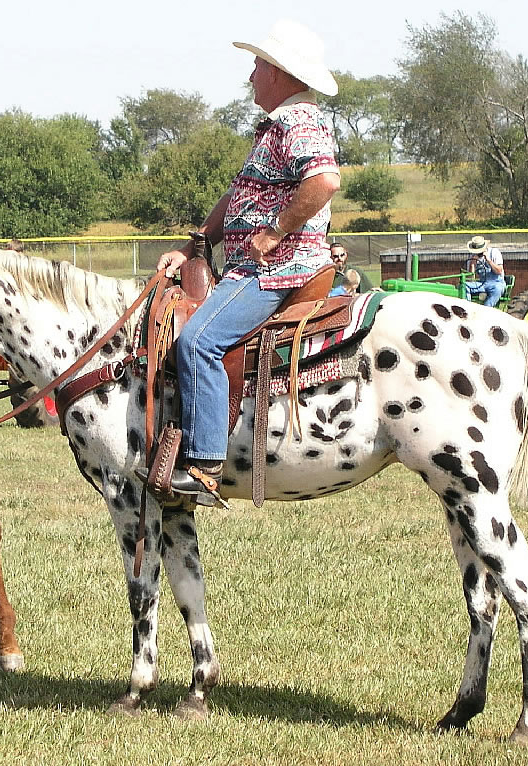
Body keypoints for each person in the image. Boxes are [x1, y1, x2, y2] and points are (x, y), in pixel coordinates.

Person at [153, 19, 340, 503]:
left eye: (258, 65)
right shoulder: (276, 128)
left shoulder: (298, 124)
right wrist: (196, 240)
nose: (252, 75)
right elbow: (238, 196)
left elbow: (324, 181)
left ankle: (203, 465)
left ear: (280, 72)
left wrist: (275, 230)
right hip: (261, 264)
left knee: (197, 340)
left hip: (277, 268)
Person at [462, 235, 505, 307]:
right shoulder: (472, 257)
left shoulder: (494, 253)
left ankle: (487, 308)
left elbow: (499, 271)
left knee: (497, 289)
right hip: (482, 283)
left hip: (495, 282)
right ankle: (468, 307)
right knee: (464, 285)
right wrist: (473, 264)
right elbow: (470, 278)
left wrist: (489, 260)